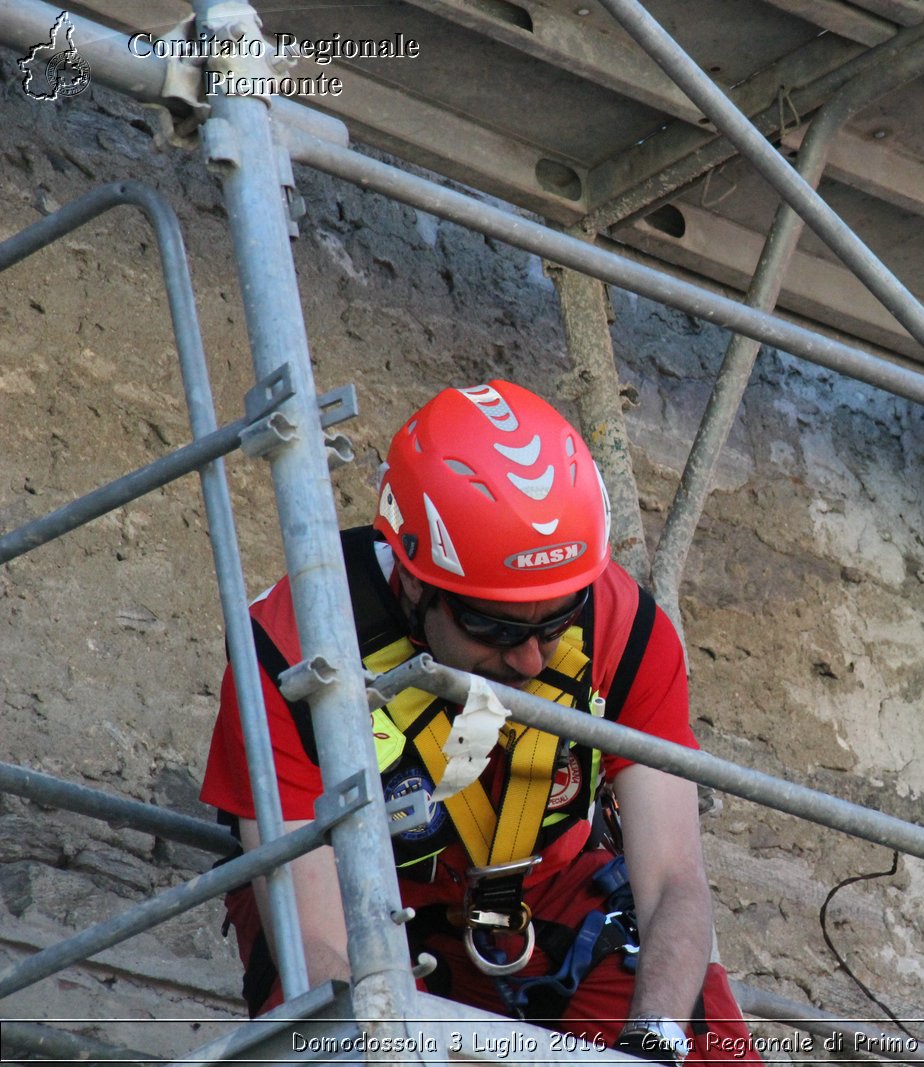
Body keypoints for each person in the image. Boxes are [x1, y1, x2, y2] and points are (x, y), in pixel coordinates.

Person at [201, 381, 759, 1064]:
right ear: (411, 580)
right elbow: (319, 941)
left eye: (557, 621)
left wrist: (655, 1039)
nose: (529, 656)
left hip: (547, 892)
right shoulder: (289, 650)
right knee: (344, 1042)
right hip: (367, 898)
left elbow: (674, 877)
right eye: (492, 625)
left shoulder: (624, 622)